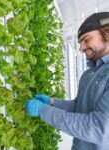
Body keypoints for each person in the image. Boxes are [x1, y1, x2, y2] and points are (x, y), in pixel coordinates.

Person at [25, 12, 109, 150]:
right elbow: (81, 107)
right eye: (80, 42)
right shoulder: (89, 74)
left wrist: (43, 111)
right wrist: (53, 102)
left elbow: (99, 129)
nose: (81, 48)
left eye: (86, 40)